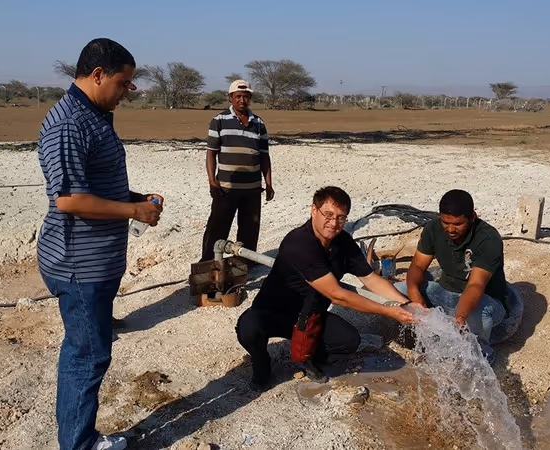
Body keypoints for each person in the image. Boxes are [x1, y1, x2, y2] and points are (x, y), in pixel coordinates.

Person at [37, 38, 163, 450]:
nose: (127, 92)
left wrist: (135, 199)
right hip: (79, 265)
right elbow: (69, 200)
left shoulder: (93, 116)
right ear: (97, 75)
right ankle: (79, 444)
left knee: (87, 350)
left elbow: (93, 185)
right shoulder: (69, 123)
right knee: (87, 355)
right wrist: (133, 212)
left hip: (95, 261)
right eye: (123, 83)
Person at [236, 186, 418, 390]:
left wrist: (407, 304)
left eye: (341, 218)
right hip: (273, 312)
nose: (333, 223)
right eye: (328, 215)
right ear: (314, 210)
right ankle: (261, 362)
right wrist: (388, 311)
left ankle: (309, 357)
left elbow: (370, 279)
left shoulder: (344, 243)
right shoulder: (299, 243)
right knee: (248, 328)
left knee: (349, 341)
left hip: (311, 315)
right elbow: (337, 296)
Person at [396, 189, 508, 363]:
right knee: (396, 291)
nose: (450, 229)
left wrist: (460, 318)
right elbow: (417, 266)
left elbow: (475, 285)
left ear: (473, 217)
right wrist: (416, 297)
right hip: (445, 293)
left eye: (458, 224)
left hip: (483, 301)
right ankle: (425, 339)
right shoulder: (433, 228)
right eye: (445, 222)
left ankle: (481, 353)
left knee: (478, 312)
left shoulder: (488, 239)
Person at [199, 79, 274, 263]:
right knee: (217, 227)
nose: (242, 100)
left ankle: (244, 263)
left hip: (252, 189)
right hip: (226, 188)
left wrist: (269, 183)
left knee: (250, 228)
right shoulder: (219, 121)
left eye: (246, 97)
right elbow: (211, 153)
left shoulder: (259, 123)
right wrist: (212, 181)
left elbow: (264, 156)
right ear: (230, 98)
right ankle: (208, 262)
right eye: (238, 96)